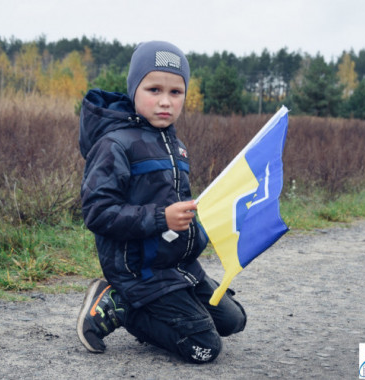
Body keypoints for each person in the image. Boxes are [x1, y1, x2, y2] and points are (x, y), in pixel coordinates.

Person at [76, 41, 246, 364]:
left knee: (233, 321)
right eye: (154, 89)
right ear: (134, 89)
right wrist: (161, 219)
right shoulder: (114, 144)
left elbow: (179, 209)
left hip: (177, 266)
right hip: (139, 271)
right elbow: (97, 213)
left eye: (176, 92)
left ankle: (172, 309)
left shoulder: (176, 146)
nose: (165, 102)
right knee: (205, 346)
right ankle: (121, 306)